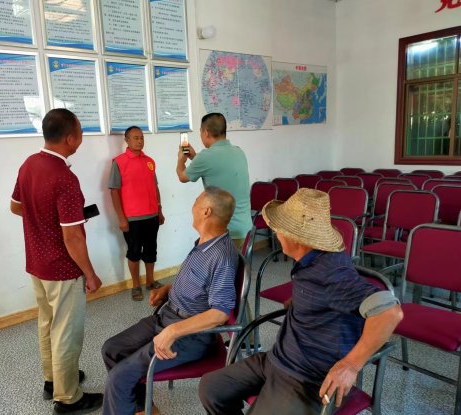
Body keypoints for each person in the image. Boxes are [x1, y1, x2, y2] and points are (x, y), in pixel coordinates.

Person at [199, 189, 403, 414]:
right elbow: (322, 294)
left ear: (295, 236)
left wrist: (351, 365)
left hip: (307, 379)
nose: (276, 235)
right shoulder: (307, 260)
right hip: (278, 359)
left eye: (278, 231)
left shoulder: (333, 272)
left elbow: (390, 312)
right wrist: (301, 301)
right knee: (211, 387)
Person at [101, 187, 238, 415]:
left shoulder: (221, 256)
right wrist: (168, 289)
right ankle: (140, 408)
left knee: (120, 376)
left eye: (196, 202)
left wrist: (173, 331)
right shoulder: (205, 243)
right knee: (112, 349)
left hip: (190, 336)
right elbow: (200, 284)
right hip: (168, 317)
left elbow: (220, 313)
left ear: (206, 211)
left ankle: (129, 406)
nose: (192, 207)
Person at [10, 109, 104, 415]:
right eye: (81, 133)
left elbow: (16, 207)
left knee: (47, 323)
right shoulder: (64, 177)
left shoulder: (29, 164)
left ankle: (53, 380)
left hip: (37, 263)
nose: (81, 139)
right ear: (70, 138)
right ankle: (68, 398)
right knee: (66, 332)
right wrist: (90, 274)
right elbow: (73, 238)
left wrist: (45, 222)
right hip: (63, 269)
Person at [176, 113, 251, 249]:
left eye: (200, 131)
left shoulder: (206, 157)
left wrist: (181, 159)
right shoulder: (239, 152)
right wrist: (195, 157)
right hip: (245, 229)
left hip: (223, 231)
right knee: (239, 262)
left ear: (206, 132)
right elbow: (217, 167)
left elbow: (182, 177)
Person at [109, 126, 165, 302]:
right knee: (134, 252)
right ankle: (135, 285)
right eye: (136, 138)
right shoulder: (119, 162)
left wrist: (159, 209)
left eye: (142, 138)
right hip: (132, 219)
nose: (140, 141)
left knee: (151, 250)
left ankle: (150, 281)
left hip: (152, 216)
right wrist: (121, 218)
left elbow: (155, 187)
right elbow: (114, 191)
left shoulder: (149, 161)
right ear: (126, 140)